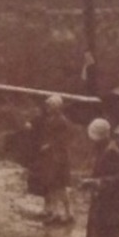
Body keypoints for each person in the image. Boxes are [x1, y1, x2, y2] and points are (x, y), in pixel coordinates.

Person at [30, 94, 74, 225]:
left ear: (56, 107)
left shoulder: (61, 121)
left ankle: (67, 212)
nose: (47, 108)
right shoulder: (51, 119)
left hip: (58, 158)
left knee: (59, 186)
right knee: (53, 185)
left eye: (49, 106)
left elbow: (62, 139)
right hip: (51, 157)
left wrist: (49, 145)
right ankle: (55, 211)